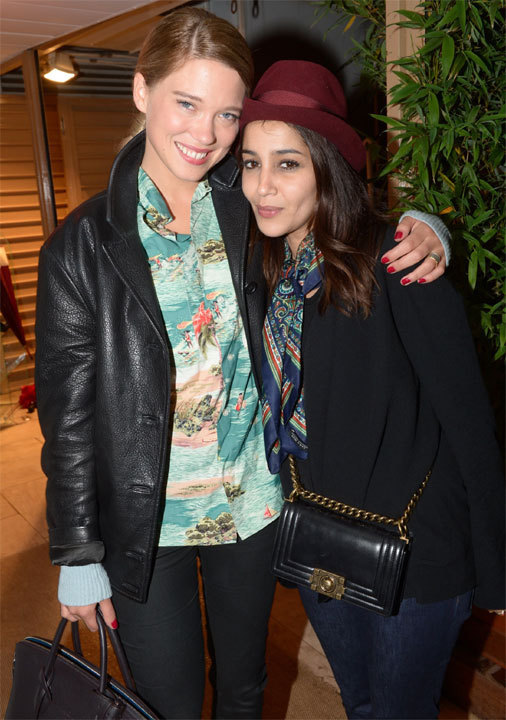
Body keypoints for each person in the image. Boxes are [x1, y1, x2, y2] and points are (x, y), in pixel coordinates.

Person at [35, 8, 450, 719]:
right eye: (186, 104)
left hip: (253, 503)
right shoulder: (81, 245)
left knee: (246, 688)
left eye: (227, 114)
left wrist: (427, 226)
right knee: (167, 700)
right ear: (142, 91)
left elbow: (338, 222)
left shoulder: (246, 204)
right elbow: (67, 415)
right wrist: (77, 551)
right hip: (149, 517)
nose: (205, 135)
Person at [238, 59, 505, 720]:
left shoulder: (398, 260)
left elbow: (472, 423)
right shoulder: (265, 269)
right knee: (360, 703)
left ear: (327, 165)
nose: (263, 187)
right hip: (321, 546)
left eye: (287, 164)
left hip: (416, 556)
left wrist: (498, 567)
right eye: (250, 163)